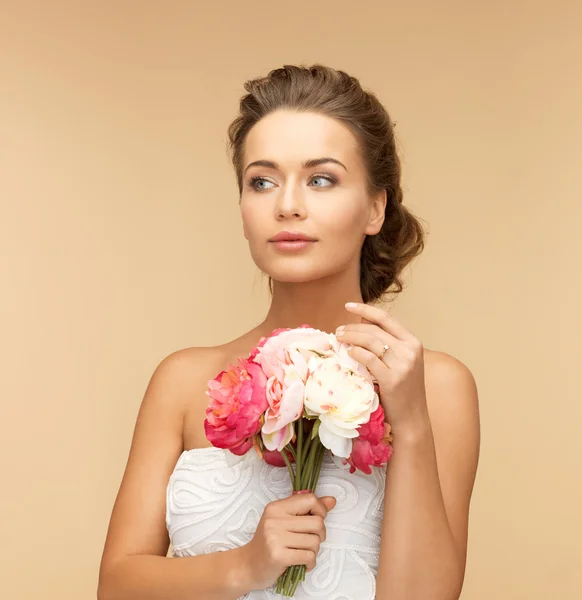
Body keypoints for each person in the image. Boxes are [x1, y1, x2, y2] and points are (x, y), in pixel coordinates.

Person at [97, 64, 480, 600]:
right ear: (243, 207)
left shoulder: (436, 387)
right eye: (262, 181)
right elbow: (115, 587)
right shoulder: (184, 381)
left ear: (375, 207)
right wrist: (244, 567)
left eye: (321, 178)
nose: (287, 205)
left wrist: (410, 423)